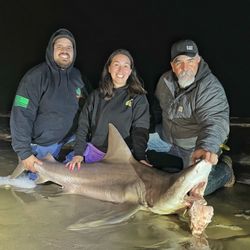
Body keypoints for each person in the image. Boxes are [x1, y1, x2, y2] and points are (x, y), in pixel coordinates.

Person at [148, 39, 235, 195]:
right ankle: (173, 165)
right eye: (179, 62)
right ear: (172, 66)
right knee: (135, 150)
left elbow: (215, 122)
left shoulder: (210, 87)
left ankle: (225, 171)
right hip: (166, 139)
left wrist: (206, 147)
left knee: (188, 191)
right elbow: (156, 110)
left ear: (198, 60)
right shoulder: (164, 81)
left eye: (190, 61)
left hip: (194, 149)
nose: (185, 67)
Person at [10, 28, 88, 174]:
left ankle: (67, 163)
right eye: (59, 46)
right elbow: (20, 115)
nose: (64, 50)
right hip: (44, 143)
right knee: (36, 185)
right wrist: (25, 153)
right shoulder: (35, 77)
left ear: (74, 52)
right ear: (50, 50)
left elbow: (89, 108)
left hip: (70, 137)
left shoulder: (78, 77)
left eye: (69, 47)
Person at [66, 49, 151, 171]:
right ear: (109, 68)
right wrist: (78, 153)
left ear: (130, 71)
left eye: (125, 66)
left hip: (122, 157)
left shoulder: (138, 98)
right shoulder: (95, 96)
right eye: (116, 65)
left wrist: (141, 157)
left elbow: (140, 129)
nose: (121, 70)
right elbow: (83, 125)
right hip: (95, 153)